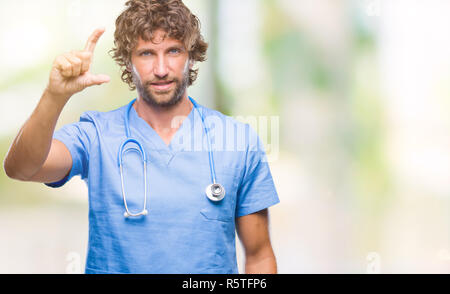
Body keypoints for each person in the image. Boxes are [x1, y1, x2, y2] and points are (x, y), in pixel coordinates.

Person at [4, 0, 279, 274]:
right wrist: (55, 96)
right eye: (147, 53)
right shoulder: (95, 135)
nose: (161, 69)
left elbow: (259, 256)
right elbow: (21, 168)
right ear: (127, 60)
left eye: (173, 51)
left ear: (191, 55)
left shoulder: (238, 141)